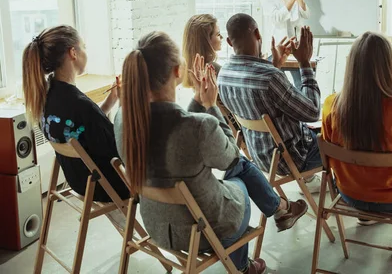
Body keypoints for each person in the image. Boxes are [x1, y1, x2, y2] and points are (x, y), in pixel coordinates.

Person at [115, 31, 307, 274]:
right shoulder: (198, 127)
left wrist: (197, 101)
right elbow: (231, 157)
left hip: (158, 227)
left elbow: (175, 131)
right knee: (242, 169)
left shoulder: (123, 119)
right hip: (205, 231)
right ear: (177, 71)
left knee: (233, 174)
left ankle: (280, 210)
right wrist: (211, 105)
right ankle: (271, 223)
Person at [322, 31, 392, 255]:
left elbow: (330, 160)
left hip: (348, 194)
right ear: (390, 67)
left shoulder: (331, 105)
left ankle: (365, 216)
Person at [22, 25, 129, 204]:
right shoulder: (79, 104)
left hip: (80, 182)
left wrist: (111, 101)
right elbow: (120, 147)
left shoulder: (46, 96)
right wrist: (126, 105)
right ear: (73, 53)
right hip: (111, 186)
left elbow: (83, 130)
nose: (86, 52)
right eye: (84, 46)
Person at [217, 14, 322, 192]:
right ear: (257, 33)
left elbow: (257, 92)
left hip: (260, 158)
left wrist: (274, 65)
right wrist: (304, 62)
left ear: (228, 41)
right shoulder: (270, 77)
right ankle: (351, 190)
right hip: (293, 160)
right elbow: (312, 112)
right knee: (340, 137)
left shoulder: (224, 75)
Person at [260, 0, 310, 88]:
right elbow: (277, 18)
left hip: (295, 44)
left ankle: (305, 108)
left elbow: (306, 14)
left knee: (301, 83)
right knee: (278, 85)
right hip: (278, 46)